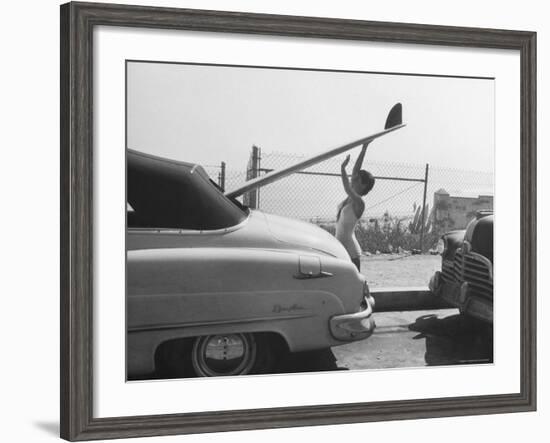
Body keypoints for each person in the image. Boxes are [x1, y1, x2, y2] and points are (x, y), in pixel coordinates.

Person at [335, 143, 375, 271]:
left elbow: (347, 187)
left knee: (353, 289)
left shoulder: (359, 203)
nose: (353, 178)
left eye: (357, 179)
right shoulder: (350, 197)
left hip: (351, 254)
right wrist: (364, 148)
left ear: (363, 185)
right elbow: (355, 170)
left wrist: (342, 169)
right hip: (341, 251)